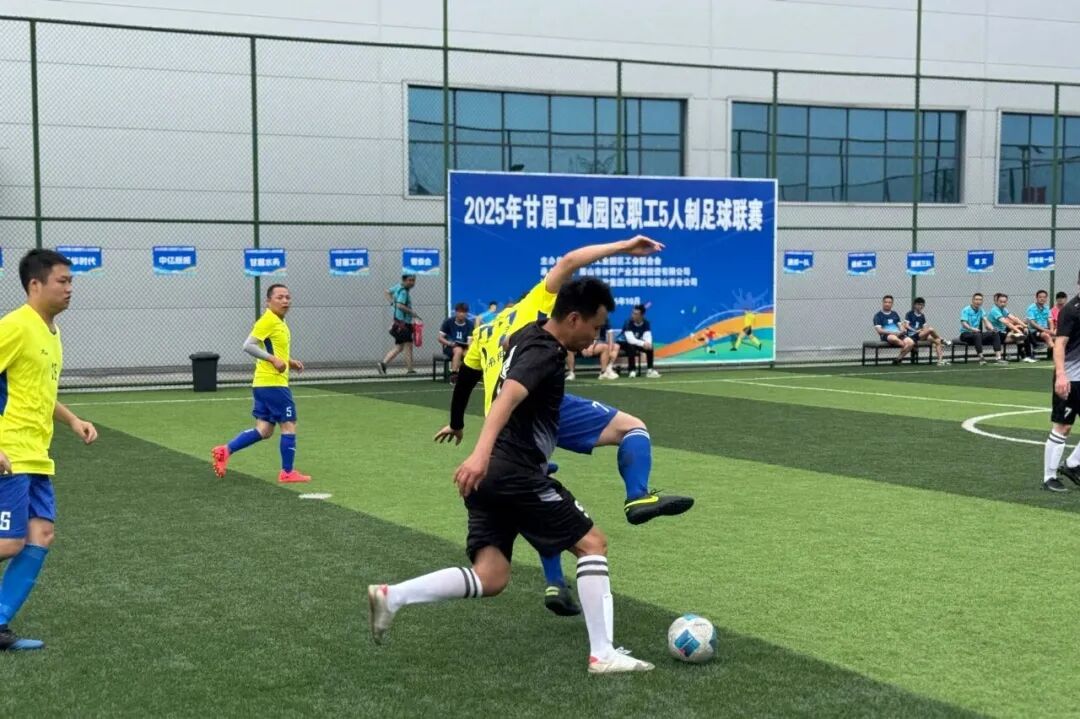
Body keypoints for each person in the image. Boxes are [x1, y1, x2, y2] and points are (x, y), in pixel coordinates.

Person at [369, 277, 654, 674]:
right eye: (594, 326)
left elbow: (504, 349)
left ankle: (393, 595)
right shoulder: (544, 351)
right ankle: (602, 654)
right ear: (573, 318)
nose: (595, 337)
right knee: (592, 544)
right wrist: (479, 454)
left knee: (491, 576)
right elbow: (507, 397)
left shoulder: (525, 335)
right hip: (512, 471)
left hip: (490, 480)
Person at [434, 236, 693, 617]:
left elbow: (468, 377)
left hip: (503, 424)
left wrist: (457, 423)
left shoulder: (487, 330)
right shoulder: (535, 306)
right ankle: (637, 495)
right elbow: (570, 260)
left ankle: (555, 581)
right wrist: (625, 246)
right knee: (631, 428)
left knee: (536, 488)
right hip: (535, 406)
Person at [0, 249, 99, 651]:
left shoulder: (52, 333)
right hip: (10, 452)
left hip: (37, 454)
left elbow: (37, 391)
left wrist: (73, 420)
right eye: (63, 281)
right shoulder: (15, 326)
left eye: (71, 281)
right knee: (9, 542)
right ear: (35, 284)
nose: (70, 288)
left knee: (41, 534)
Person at [211, 283, 310, 484]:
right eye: (280, 297)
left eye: (287, 297)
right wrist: (273, 360)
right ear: (268, 301)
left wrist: (289, 361)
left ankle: (225, 450)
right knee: (289, 425)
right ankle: (287, 472)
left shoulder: (280, 321)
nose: (285, 301)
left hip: (264, 384)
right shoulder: (268, 320)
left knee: (264, 430)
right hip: (273, 384)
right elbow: (248, 345)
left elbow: (274, 350)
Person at [1042, 279, 1080, 492]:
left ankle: (1073, 464)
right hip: (1070, 378)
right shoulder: (1070, 310)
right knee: (1063, 426)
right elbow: (1060, 344)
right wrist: (1061, 375)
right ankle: (1049, 478)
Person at [378, 274, 421, 376]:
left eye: (413, 280)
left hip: (398, 323)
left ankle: (383, 364)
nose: (412, 282)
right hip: (403, 324)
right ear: (404, 280)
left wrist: (392, 303)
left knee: (400, 347)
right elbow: (401, 305)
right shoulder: (404, 292)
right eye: (409, 280)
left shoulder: (398, 287)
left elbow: (387, 292)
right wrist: (412, 313)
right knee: (408, 346)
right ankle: (410, 370)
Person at [959, 293, 1004, 364]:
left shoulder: (981, 310)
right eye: (976, 299)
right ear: (972, 300)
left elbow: (986, 321)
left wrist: (992, 329)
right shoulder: (966, 310)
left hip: (977, 334)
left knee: (995, 333)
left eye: (980, 300)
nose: (978, 301)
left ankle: (998, 358)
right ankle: (981, 358)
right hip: (965, 334)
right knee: (977, 334)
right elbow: (964, 324)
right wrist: (972, 329)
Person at [988, 293, 1034, 362]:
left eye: (1004, 302)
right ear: (996, 302)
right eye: (1001, 302)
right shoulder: (994, 310)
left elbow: (1014, 318)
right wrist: (1018, 331)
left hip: (1003, 333)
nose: (1003, 303)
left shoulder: (1004, 309)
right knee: (1019, 335)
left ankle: (1025, 357)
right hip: (995, 335)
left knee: (1020, 336)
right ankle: (1027, 355)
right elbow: (1007, 323)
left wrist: (1025, 326)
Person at [904, 297, 950, 366]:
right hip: (912, 336)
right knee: (931, 329)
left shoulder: (922, 316)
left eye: (922, 305)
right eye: (919, 304)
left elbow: (925, 328)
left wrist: (922, 330)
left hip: (921, 335)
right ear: (915, 305)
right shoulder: (909, 314)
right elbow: (906, 326)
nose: (921, 306)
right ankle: (942, 339)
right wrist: (916, 330)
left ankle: (940, 361)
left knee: (937, 341)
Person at [618, 305, 661, 378]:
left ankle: (650, 370)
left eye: (635, 314)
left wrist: (648, 344)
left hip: (636, 342)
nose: (633, 315)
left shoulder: (646, 322)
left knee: (650, 347)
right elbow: (630, 340)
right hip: (623, 342)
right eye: (632, 313)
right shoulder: (628, 322)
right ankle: (632, 370)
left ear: (642, 315)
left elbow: (647, 335)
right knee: (631, 346)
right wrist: (643, 343)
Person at [873, 295, 914, 365]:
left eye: (889, 302)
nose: (887, 304)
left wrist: (902, 330)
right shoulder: (877, 315)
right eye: (885, 302)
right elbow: (879, 330)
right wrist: (893, 333)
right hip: (887, 335)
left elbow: (900, 325)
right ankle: (910, 348)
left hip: (899, 334)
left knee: (911, 342)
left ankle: (898, 359)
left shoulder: (895, 314)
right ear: (882, 303)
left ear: (892, 304)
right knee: (893, 338)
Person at [438, 302, 472, 383]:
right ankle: (453, 375)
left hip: (464, 347)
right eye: (459, 312)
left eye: (464, 312)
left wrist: (468, 347)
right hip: (450, 347)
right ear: (456, 312)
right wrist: (450, 343)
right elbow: (440, 338)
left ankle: (465, 375)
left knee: (468, 354)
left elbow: (470, 341)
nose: (461, 314)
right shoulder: (448, 322)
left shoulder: (470, 324)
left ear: (466, 313)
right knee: (458, 350)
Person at [1027, 290, 1054, 359]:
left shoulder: (1047, 308)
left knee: (1059, 335)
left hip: (1045, 330)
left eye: (1044, 297)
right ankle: (1057, 353)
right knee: (1046, 335)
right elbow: (1032, 323)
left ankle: (1053, 354)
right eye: (1040, 297)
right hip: (1034, 331)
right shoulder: (1031, 308)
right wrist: (1045, 330)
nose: (1042, 299)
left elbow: (1050, 320)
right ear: (1036, 298)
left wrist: (1051, 330)